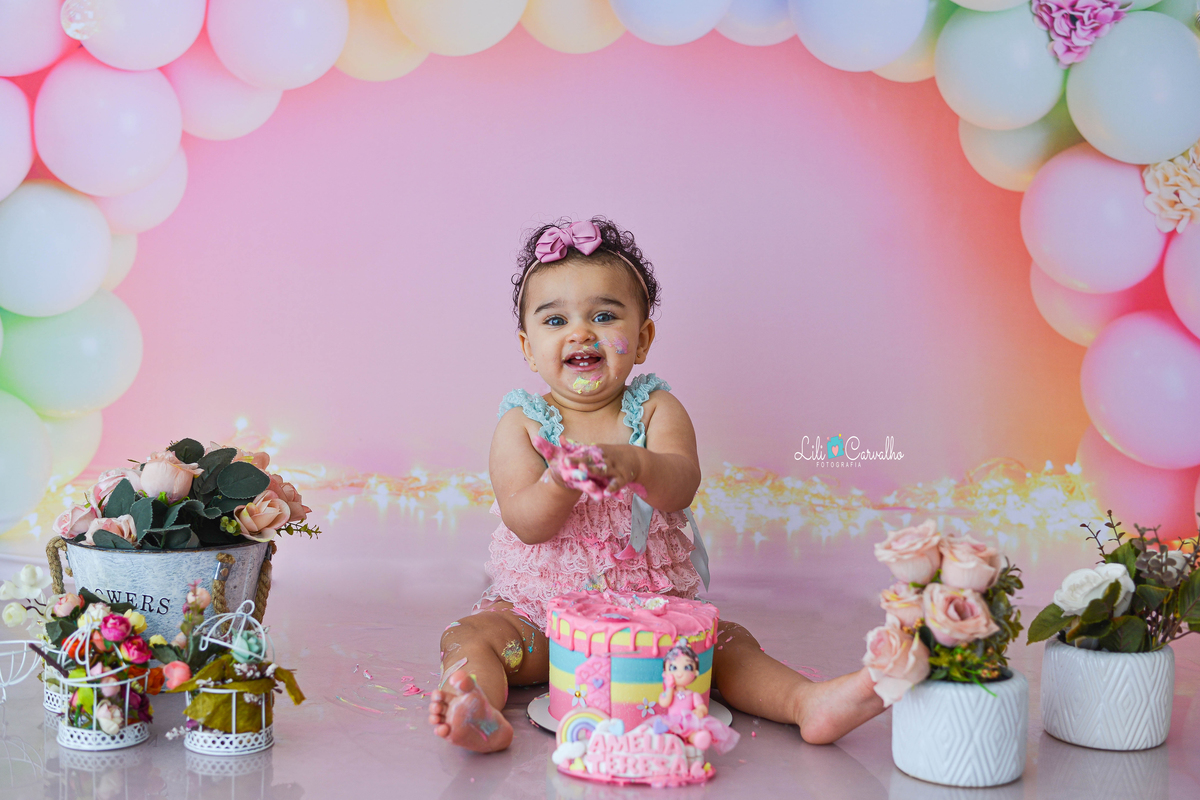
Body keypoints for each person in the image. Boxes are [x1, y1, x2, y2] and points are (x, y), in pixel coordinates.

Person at [428, 217, 884, 753]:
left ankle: (808, 704)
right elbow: (526, 523)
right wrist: (560, 481)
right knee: (474, 635)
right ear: (529, 348)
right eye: (556, 320)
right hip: (545, 630)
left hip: (655, 631)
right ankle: (475, 705)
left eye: (603, 316)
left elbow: (681, 486)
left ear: (641, 339)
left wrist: (638, 465)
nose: (580, 333)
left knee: (726, 646)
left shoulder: (655, 408)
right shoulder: (521, 424)